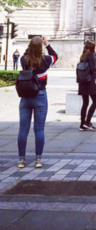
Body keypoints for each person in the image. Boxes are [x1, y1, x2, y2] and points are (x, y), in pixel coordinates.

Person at [18, 36, 58, 169]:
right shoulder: (46, 60)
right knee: (39, 130)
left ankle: (21, 160)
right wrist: (47, 44)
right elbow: (55, 56)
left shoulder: (24, 60)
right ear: (40, 48)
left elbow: (25, 54)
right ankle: (38, 159)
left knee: (23, 130)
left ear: (29, 47)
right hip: (40, 95)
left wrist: (31, 46)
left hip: (25, 97)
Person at [78, 40, 96, 131]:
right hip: (89, 81)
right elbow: (92, 68)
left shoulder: (83, 55)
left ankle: (82, 124)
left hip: (82, 81)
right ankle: (87, 122)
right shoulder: (91, 54)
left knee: (85, 103)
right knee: (95, 101)